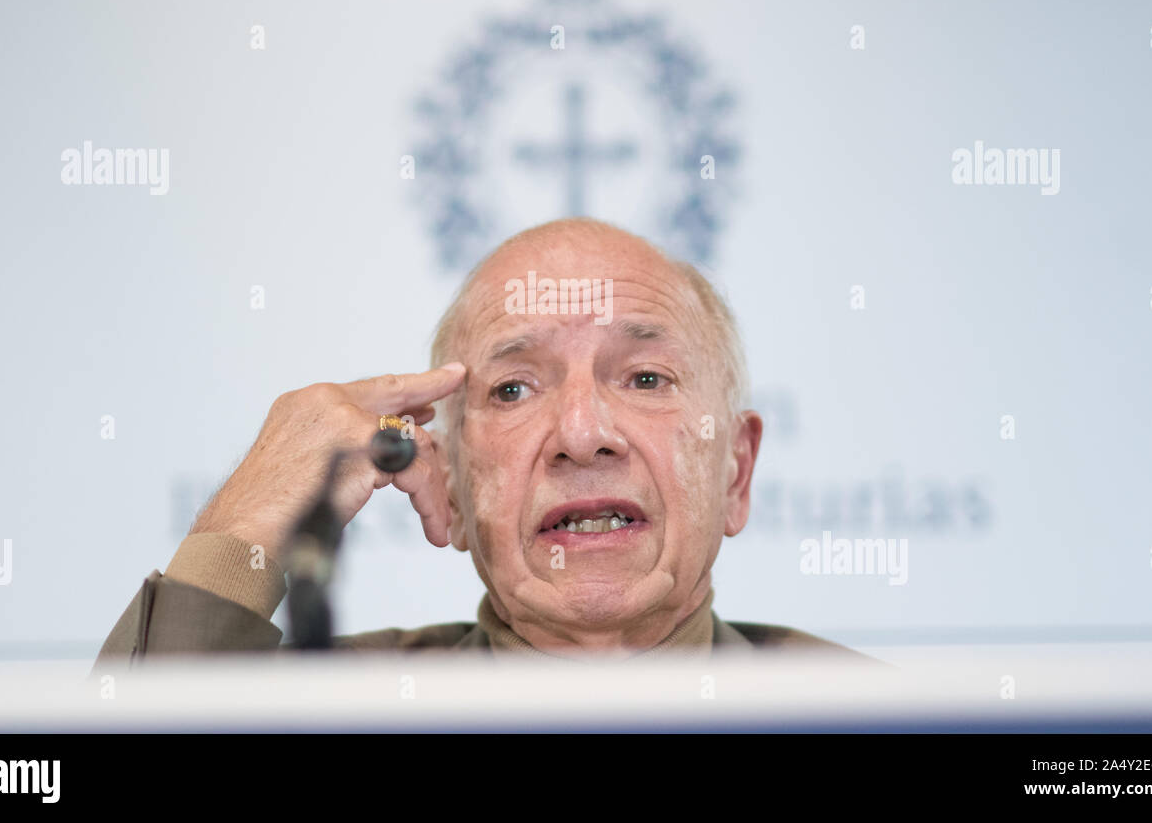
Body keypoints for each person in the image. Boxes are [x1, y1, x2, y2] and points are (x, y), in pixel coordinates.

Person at [95, 218, 871, 664]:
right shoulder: (327, 712)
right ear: (453, 490)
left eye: (643, 378)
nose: (582, 434)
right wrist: (243, 528)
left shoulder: (881, 718)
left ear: (736, 471)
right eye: (512, 389)